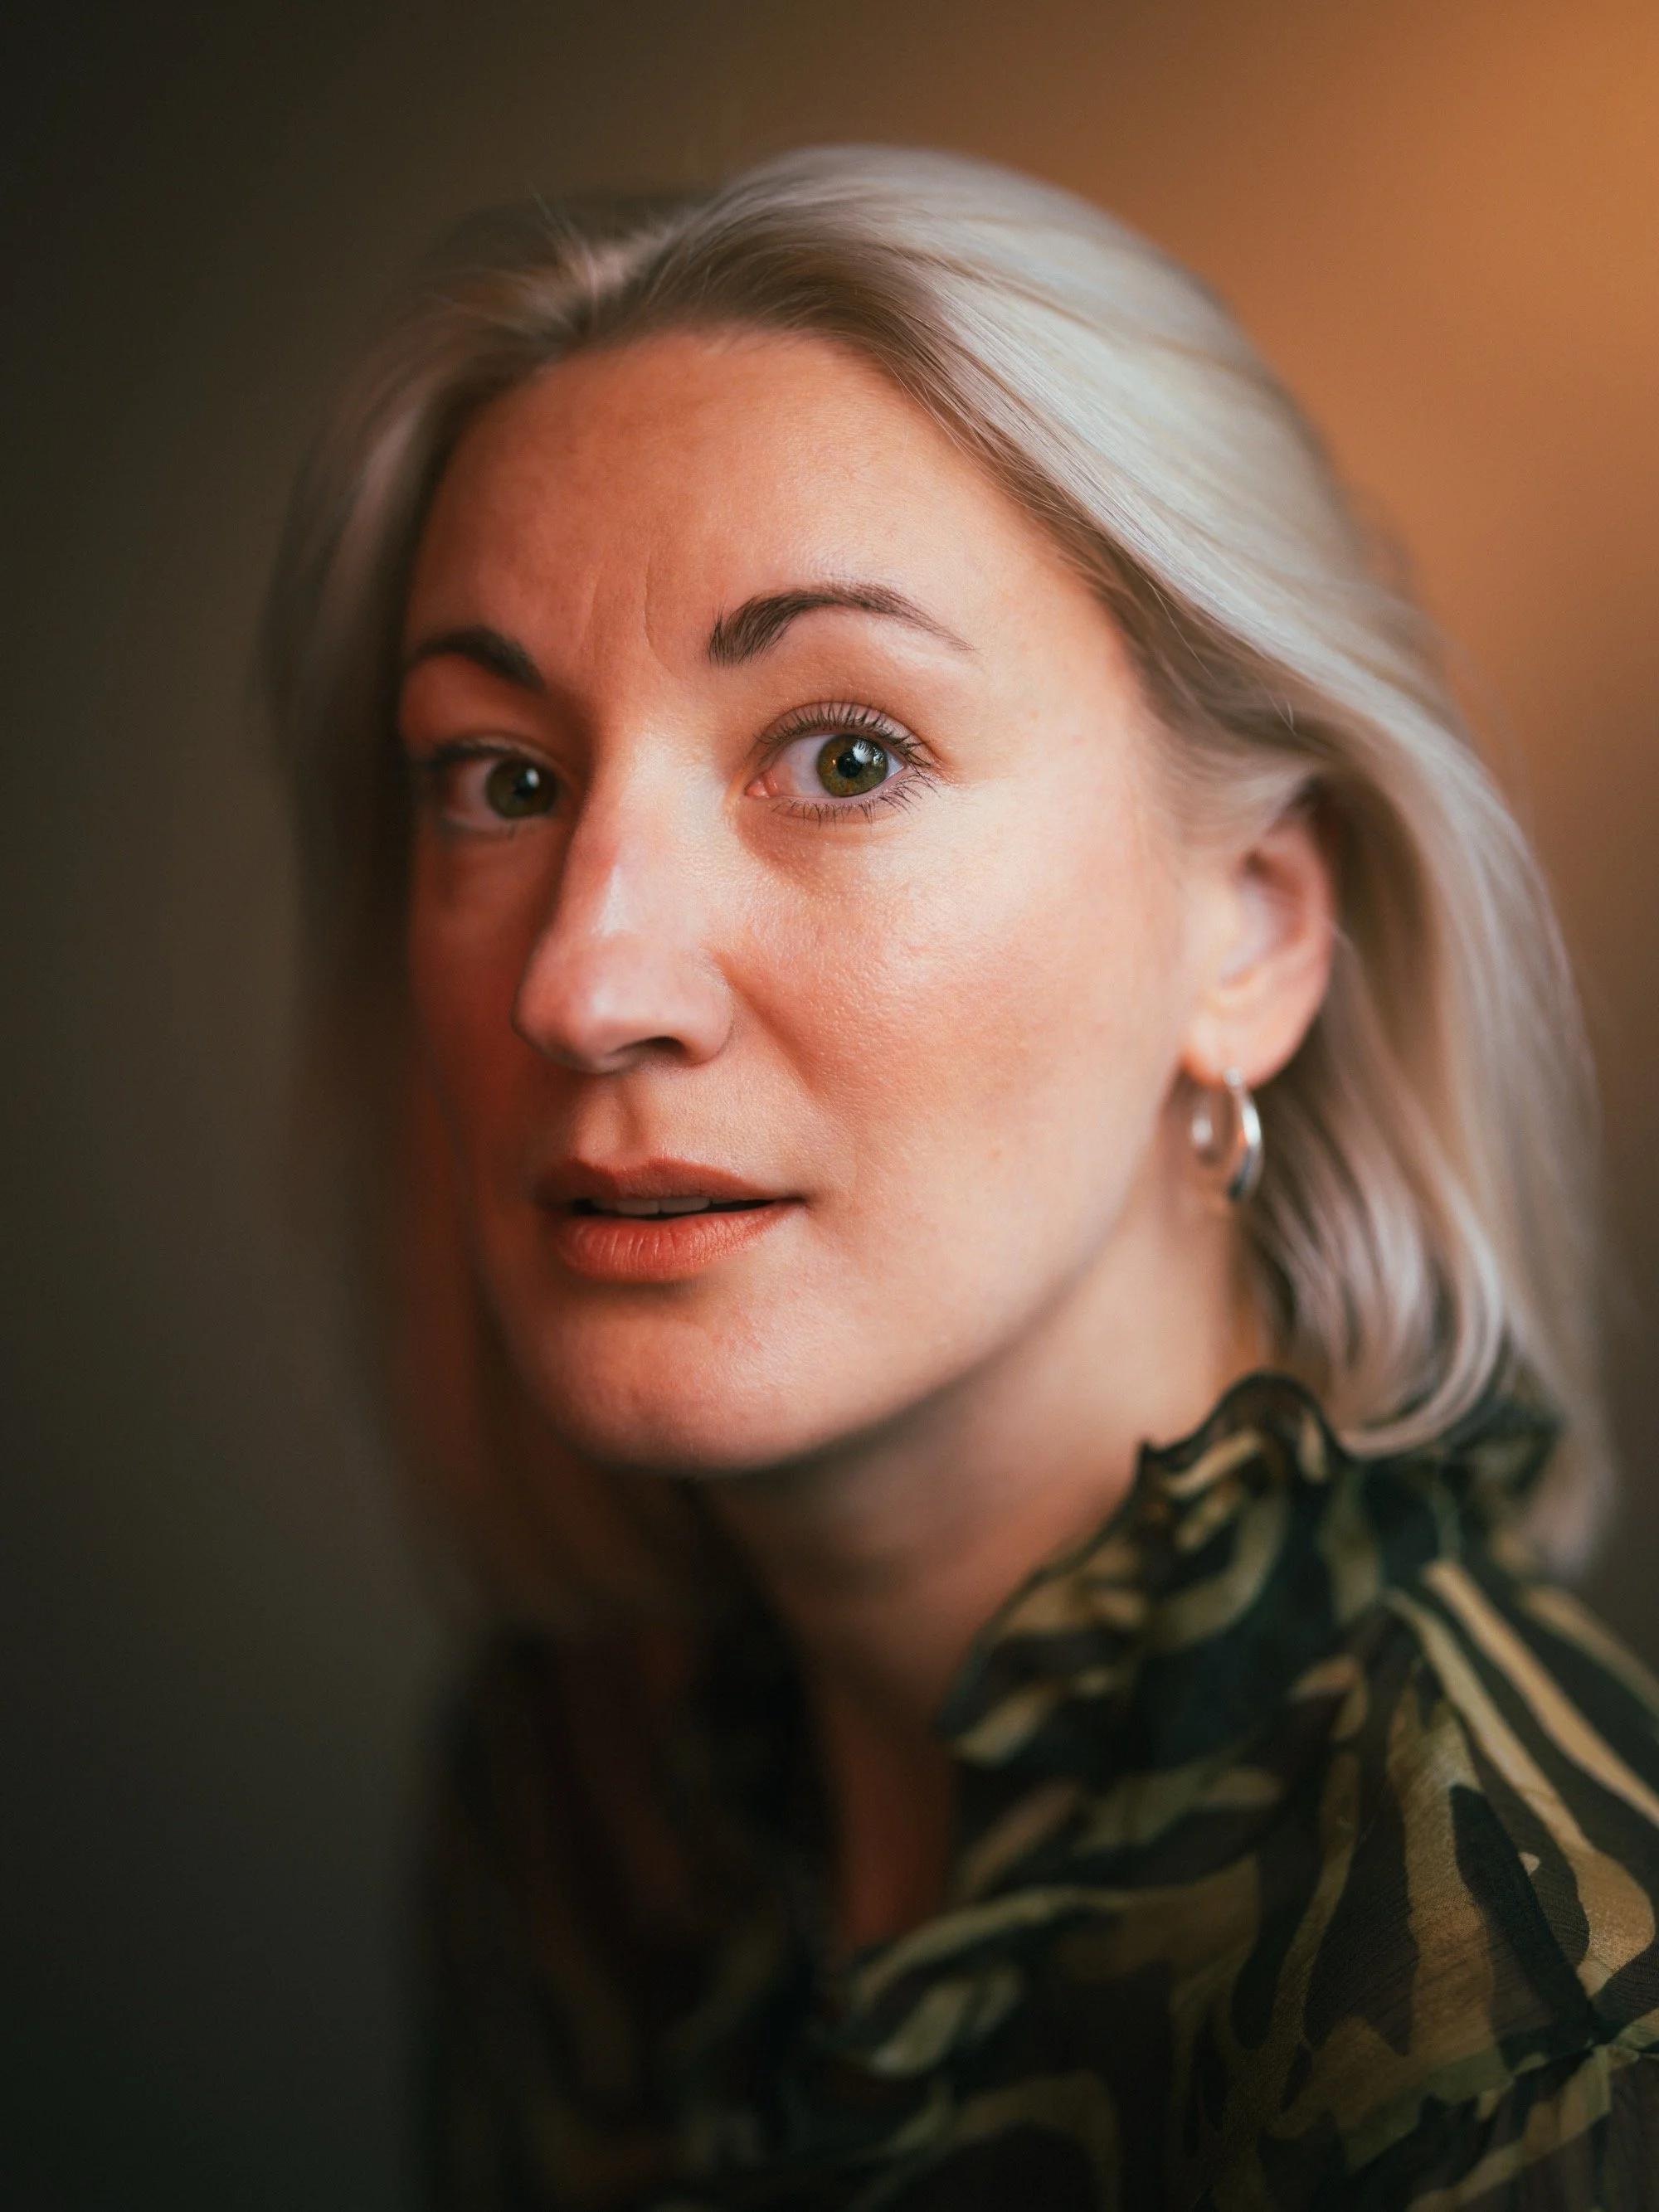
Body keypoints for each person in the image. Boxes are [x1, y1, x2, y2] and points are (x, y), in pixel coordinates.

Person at [263, 148, 1659, 2209]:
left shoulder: (1521, 1983)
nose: (583, 980)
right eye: (505, 779)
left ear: (1256, 929)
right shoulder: (579, 1800)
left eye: (842, 753)